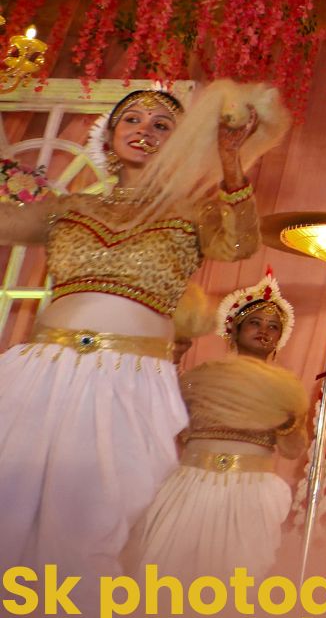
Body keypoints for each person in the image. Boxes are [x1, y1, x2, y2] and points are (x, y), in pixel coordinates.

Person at [0, 81, 287, 571]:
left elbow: (240, 246)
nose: (144, 132)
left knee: (96, 526)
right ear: (110, 135)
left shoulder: (194, 212)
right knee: (8, 512)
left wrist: (231, 163)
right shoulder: (69, 209)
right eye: (132, 121)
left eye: (162, 126)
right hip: (41, 372)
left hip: (130, 381)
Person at [127, 272, 308, 576]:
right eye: (255, 322)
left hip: (250, 491)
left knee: (238, 580)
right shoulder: (203, 376)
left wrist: (288, 421)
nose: (265, 331)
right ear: (234, 330)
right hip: (192, 483)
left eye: (273, 327)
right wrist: (171, 363)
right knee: (168, 576)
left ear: (280, 338)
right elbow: (170, 423)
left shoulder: (285, 388)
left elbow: (293, 449)